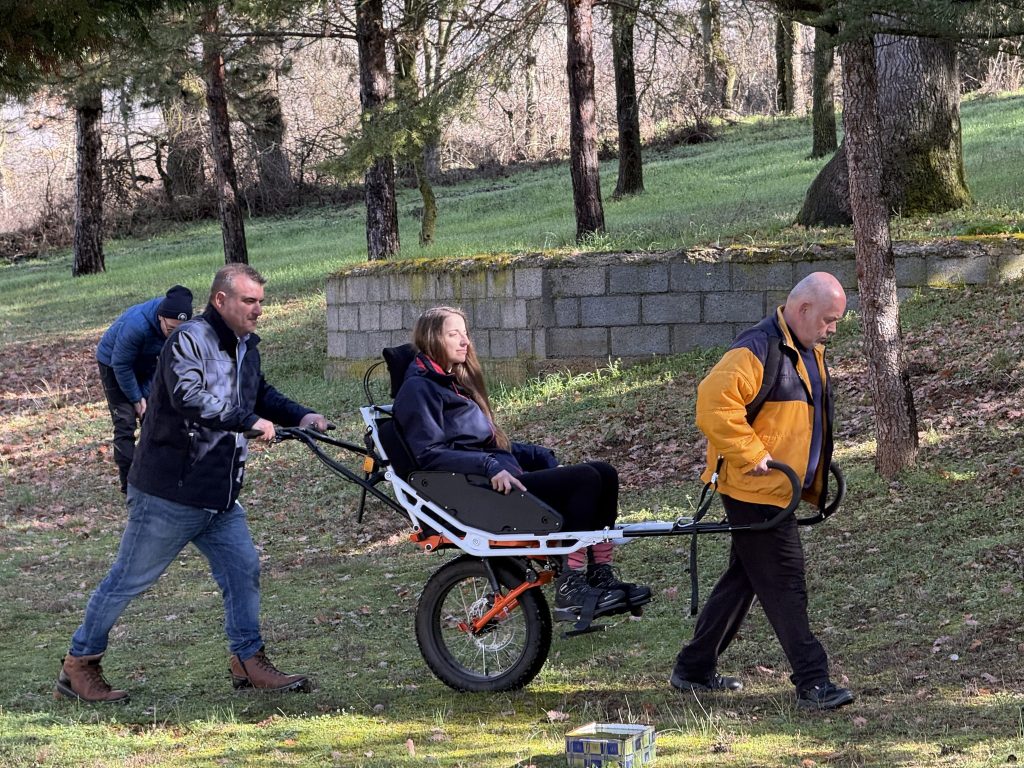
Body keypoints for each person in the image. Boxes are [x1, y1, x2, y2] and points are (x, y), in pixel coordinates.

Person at [56, 264, 329, 703]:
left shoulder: (244, 345)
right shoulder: (189, 340)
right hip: (169, 492)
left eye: (261, 301)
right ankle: (78, 665)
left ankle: (246, 659)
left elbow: (259, 394)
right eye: (249, 301)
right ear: (221, 300)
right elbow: (190, 397)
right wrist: (248, 422)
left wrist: (300, 415)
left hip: (218, 494)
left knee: (243, 570)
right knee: (129, 579)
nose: (258, 310)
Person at [392, 306, 651, 626]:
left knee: (604, 474)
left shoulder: (451, 381)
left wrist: (537, 455)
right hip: (478, 491)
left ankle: (599, 575)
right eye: (453, 334)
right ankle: (570, 585)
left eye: (465, 333)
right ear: (432, 339)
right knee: (586, 479)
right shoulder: (420, 388)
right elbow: (429, 455)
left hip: (499, 478)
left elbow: (483, 442)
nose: (465, 342)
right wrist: (488, 466)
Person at [670, 271, 855, 711]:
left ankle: (693, 667)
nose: (832, 329)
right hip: (756, 490)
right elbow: (712, 404)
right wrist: (751, 453)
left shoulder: (807, 349)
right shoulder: (756, 348)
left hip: (778, 489)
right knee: (785, 581)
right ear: (803, 309)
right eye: (829, 319)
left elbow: (793, 417)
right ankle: (813, 682)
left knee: (746, 578)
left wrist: (814, 464)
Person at [96, 285, 194, 493]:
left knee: (156, 417)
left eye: (180, 329)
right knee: (125, 422)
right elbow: (121, 364)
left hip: (148, 362)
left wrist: (150, 396)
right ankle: (129, 484)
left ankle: (158, 478)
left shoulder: (179, 326)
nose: (174, 334)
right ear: (161, 318)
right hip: (114, 364)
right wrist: (135, 398)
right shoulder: (137, 326)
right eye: (170, 329)